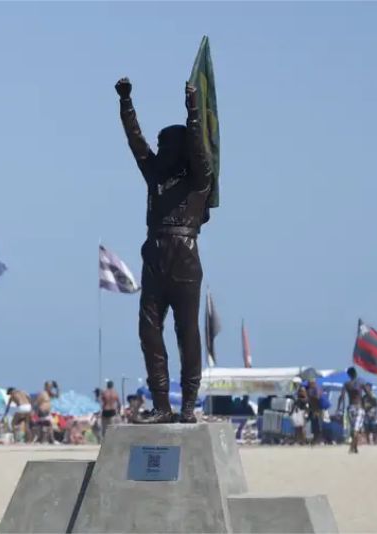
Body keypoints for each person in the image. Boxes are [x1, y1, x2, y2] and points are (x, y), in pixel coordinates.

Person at [115, 77, 213, 424]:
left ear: (181, 147)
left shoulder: (198, 180)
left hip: (185, 257)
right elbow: (136, 143)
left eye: (165, 143)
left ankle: (188, 404)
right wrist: (126, 103)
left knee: (187, 331)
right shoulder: (155, 174)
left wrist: (193, 112)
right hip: (154, 256)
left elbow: (201, 151)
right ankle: (161, 405)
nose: (159, 148)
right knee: (148, 330)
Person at [337, 367, 367, 454]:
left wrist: (338, 407)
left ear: (349, 375)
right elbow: (368, 394)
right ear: (356, 373)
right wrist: (373, 402)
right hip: (359, 407)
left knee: (354, 429)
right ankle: (351, 447)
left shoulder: (346, 384)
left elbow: (341, 396)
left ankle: (355, 447)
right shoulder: (361, 383)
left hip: (350, 408)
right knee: (356, 430)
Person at [306, 378, 324, 445]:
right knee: (314, 426)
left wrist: (310, 397)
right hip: (313, 410)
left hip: (317, 410)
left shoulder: (316, 388)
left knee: (318, 425)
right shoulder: (310, 389)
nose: (308, 384)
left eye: (309, 383)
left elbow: (318, 398)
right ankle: (315, 439)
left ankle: (318, 439)